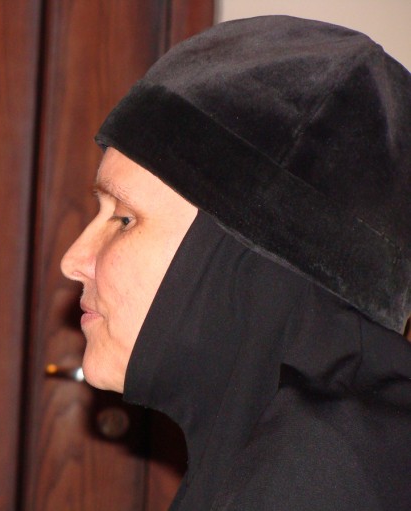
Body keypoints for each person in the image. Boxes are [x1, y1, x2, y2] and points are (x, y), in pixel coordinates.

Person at [60, 15, 411, 511]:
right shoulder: (296, 444)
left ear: (241, 255)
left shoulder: (315, 477)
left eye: (124, 219)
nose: (73, 260)